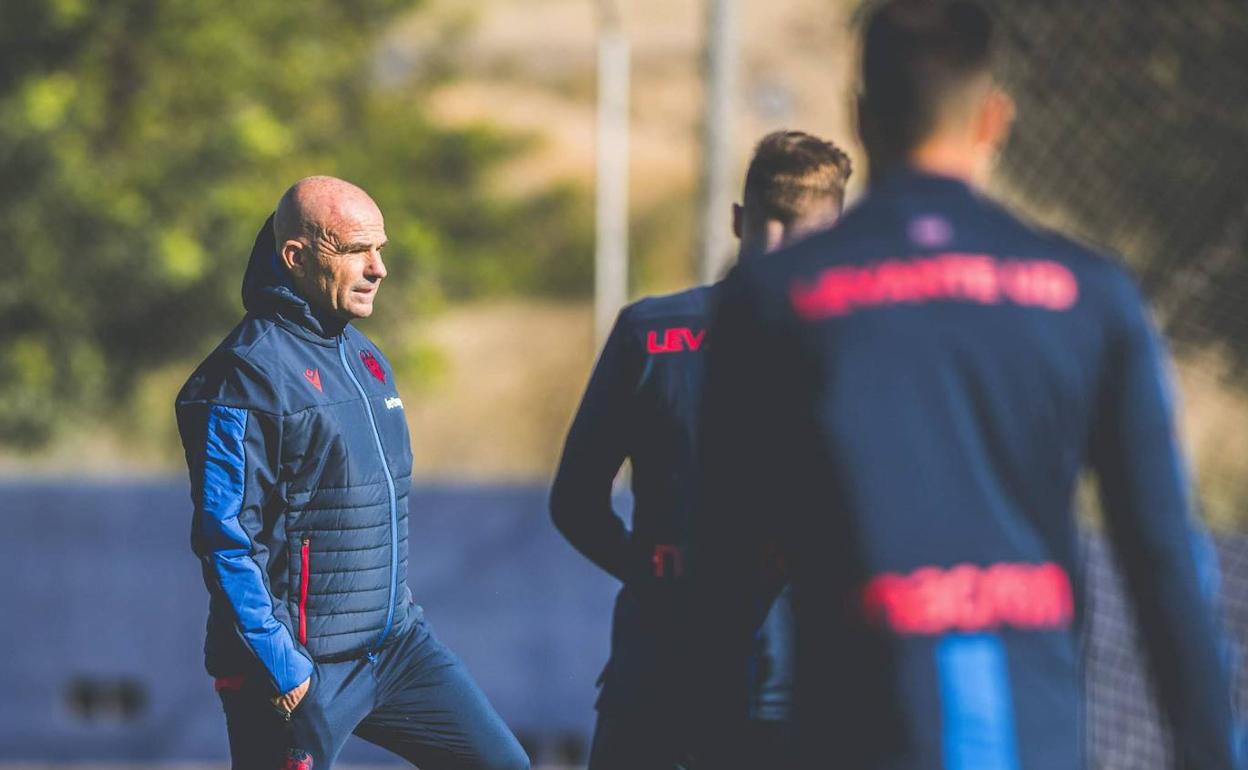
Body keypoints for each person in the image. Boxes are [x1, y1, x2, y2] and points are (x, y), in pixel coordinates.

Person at [690, 2, 1243, 769]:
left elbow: (724, 554)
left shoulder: (773, 300)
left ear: (863, 119)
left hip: (851, 731)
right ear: (993, 118)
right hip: (1029, 729)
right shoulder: (1086, 293)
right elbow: (1161, 559)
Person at [175, 176, 529, 770]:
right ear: (296, 256)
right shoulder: (242, 376)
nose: (378, 268)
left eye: (381, 249)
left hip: (396, 647)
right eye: (357, 250)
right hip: (297, 670)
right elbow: (226, 538)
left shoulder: (365, 356)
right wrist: (283, 669)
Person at [549, 131, 853, 769]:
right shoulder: (860, 346)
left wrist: (659, 574)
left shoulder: (649, 331)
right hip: (794, 687)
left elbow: (575, 503)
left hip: (657, 673)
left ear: (740, 219)